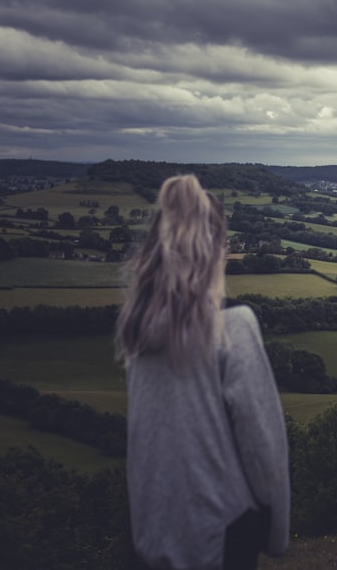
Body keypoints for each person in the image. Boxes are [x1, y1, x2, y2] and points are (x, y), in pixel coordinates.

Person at [115, 174, 290, 570]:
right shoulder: (234, 328)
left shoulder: (137, 335)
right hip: (224, 531)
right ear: (214, 250)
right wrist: (277, 535)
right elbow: (264, 447)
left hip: (154, 534)